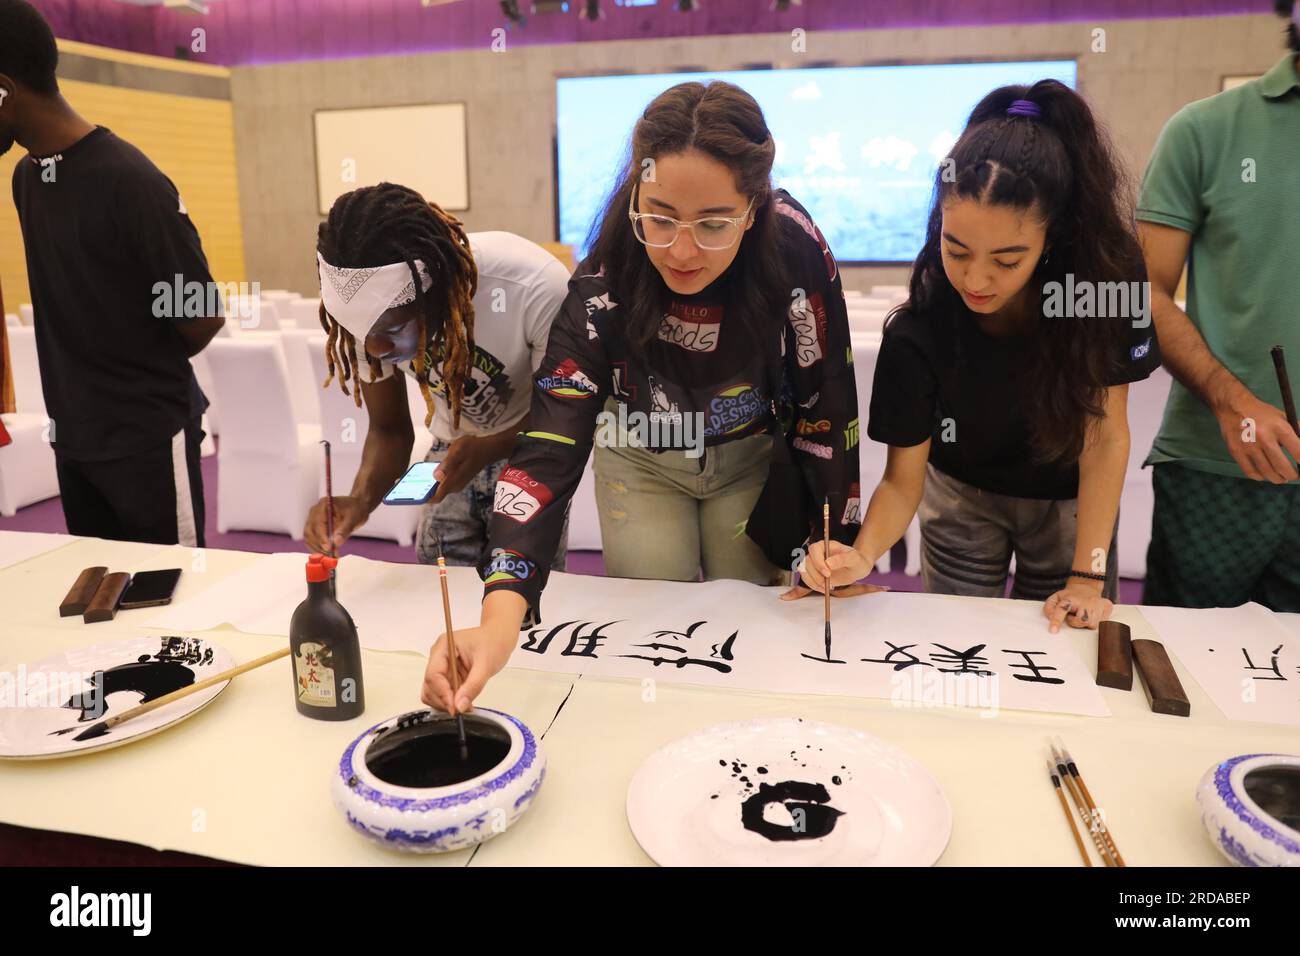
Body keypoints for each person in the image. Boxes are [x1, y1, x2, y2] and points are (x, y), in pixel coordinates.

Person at [421, 80, 860, 714]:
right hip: (640, 461)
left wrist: (833, 538)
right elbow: (549, 446)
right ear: (636, 195)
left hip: (749, 460)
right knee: (657, 635)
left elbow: (827, 401)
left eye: (713, 224)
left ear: (754, 206)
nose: (681, 250)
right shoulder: (606, 278)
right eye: (659, 216)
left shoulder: (795, 248)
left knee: (754, 631)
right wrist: (498, 620)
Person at [792, 80, 1160, 634]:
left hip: (1071, 501)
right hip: (961, 494)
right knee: (956, 646)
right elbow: (901, 480)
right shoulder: (923, 321)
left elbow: (1105, 435)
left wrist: (1088, 573)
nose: (976, 279)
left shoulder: (1105, 279)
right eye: (956, 250)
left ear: (1053, 239)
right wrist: (861, 555)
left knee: (1065, 645)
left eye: (1008, 260)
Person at [3, 0, 221, 546]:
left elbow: (200, 314)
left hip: (147, 439)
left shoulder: (131, 181)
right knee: (101, 602)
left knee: (175, 607)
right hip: (73, 441)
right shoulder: (26, 179)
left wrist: (127, 378)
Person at [305, 182, 572, 568]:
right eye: (364, 336)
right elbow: (389, 429)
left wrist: (492, 446)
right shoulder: (367, 320)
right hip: (451, 452)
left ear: (435, 293)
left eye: (393, 331)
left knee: (524, 599)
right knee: (436, 595)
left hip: (532, 452)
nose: (377, 349)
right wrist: (360, 500)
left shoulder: (533, 286)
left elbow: (565, 415)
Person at [1136, 1, 1300, 612]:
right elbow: (1144, 289)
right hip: (1215, 467)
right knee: (1181, 671)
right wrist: (1233, 401)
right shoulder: (1206, 129)